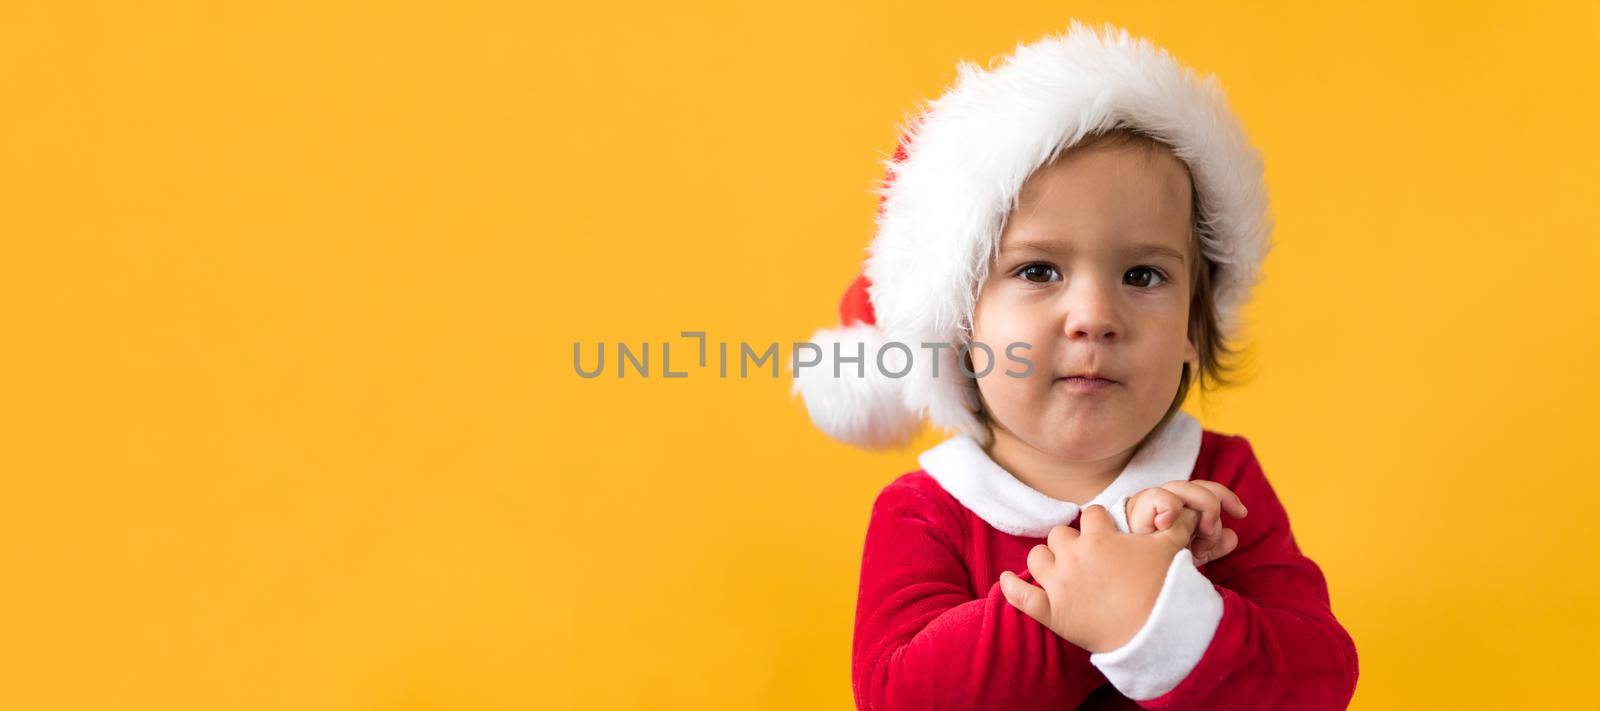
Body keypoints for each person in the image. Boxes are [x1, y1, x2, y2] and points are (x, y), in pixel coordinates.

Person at [792, 21, 1359, 710]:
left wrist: (1165, 615)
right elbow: (897, 696)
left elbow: (1320, 681)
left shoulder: (1219, 485)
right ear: (961, 326)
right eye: (1038, 269)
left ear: (1192, 327)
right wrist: (1086, 599)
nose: (1094, 314)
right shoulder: (927, 511)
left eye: (1143, 275)